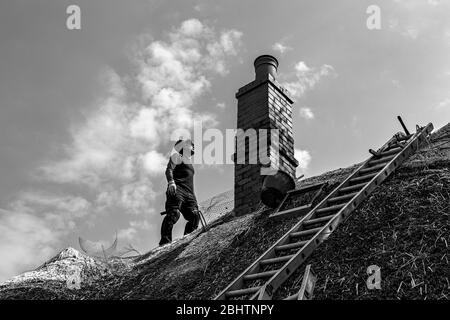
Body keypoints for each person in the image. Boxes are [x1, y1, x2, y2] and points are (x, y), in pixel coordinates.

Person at [159, 139, 200, 246]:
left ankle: (187, 240)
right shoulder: (177, 157)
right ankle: (165, 243)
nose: (193, 147)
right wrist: (171, 182)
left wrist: (194, 198)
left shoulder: (189, 162)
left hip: (190, 194)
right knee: (174, 214)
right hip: (177, 190)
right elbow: (169, 170)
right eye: (191, 145)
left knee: (195, 216)